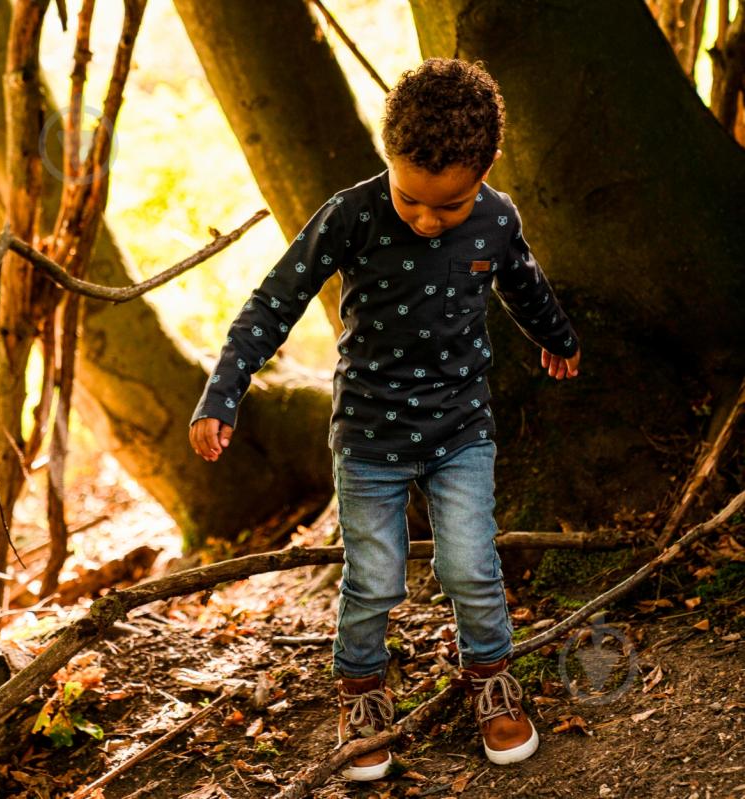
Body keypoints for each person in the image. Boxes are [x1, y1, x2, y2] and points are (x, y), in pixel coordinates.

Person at [189, 58, 580, 780]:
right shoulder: (352, 214)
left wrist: (556, 339)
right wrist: (224, 391)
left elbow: (523, 283)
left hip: (461, 429)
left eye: (449, 205)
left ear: (486, 169)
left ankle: (491, 679)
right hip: (369, 436)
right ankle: (363, 693)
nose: (429, 219)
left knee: (470, 564)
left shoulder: (496, 218)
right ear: (386, 162)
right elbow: (274, 300)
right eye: (412, 199)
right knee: (371, 576)